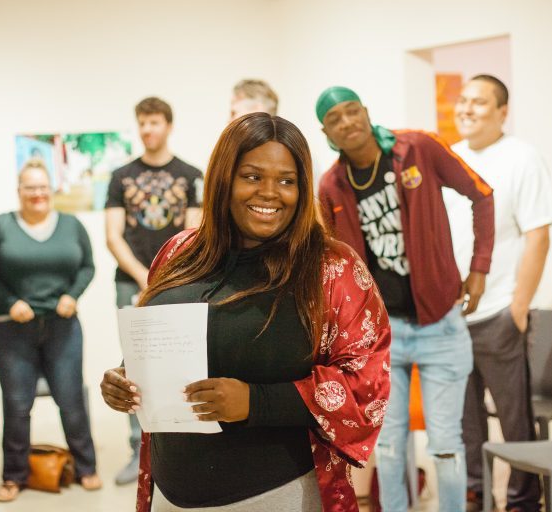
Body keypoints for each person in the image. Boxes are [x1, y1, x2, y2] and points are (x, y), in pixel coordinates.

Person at [101, 112, 391, 511]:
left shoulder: (331, 268)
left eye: (287, 180)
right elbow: (161, 341)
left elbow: (365, 385)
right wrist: (125, 376)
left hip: (275, 494)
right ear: (224, 178)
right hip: (170, 493)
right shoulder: (178, 252)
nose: (270, 192)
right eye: (252, 176)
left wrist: (257, 402)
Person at [316, 86, 495, 512]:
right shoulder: (331, 186)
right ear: (326, 132)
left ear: (366, 111)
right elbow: (333, 265)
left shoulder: (418, 148)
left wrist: (479, 269)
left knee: (446, 444)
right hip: (383, 337)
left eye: (352, 111)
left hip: (441, 325)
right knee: (391, 447)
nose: (347, 122)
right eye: (335, 119)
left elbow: (481, 194)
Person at [444, 75, 552, 512]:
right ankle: (475, 494)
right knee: (465, 420)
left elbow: (538, 235)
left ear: (502, 112)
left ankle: (523, 500)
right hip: (453, 318)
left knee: (514, 419)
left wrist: (518, 306)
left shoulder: (521, 157)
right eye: (463, 101)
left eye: (479, 102)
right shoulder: (450, 157)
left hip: (499, 313)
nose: (467, 109)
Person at [0, 159, 101, 502]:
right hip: (12, 331)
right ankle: (14, 476)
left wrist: (72, 296)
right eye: (30, 187)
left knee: (72, 400)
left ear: (51, 189)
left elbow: (88, 266)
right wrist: (9, 300)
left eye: (42, 186)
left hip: (63, 328)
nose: (37, 193)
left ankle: (87, 467)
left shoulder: (72, 225)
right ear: (19, 191)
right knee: (17, 405)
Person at [105, 96, 204, 485]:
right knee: (132, 366)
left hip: (179, 281)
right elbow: (113, 236)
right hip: (131, 282)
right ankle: (137, 450)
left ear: (168, 125)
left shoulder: (191, 174)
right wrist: (146, 278)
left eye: (155, 122)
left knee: (182, 359)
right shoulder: (120, 176)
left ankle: (179, 441)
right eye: (142, 123)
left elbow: (193, 235)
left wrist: (165, 280)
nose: (148, 129)